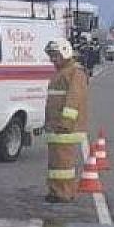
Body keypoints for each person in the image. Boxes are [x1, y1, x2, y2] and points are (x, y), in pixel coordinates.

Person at [42, 37, 89, 203]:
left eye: (56, 56)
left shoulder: (75, 73)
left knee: (63, 164)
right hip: (56, 127)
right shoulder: (61, 73)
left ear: (65, 53)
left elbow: (73, 99)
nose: (53, 60)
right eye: (51, 56)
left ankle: (64, 192)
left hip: (65, 128)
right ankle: (56, 190)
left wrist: (66, 123)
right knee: (56, 164)